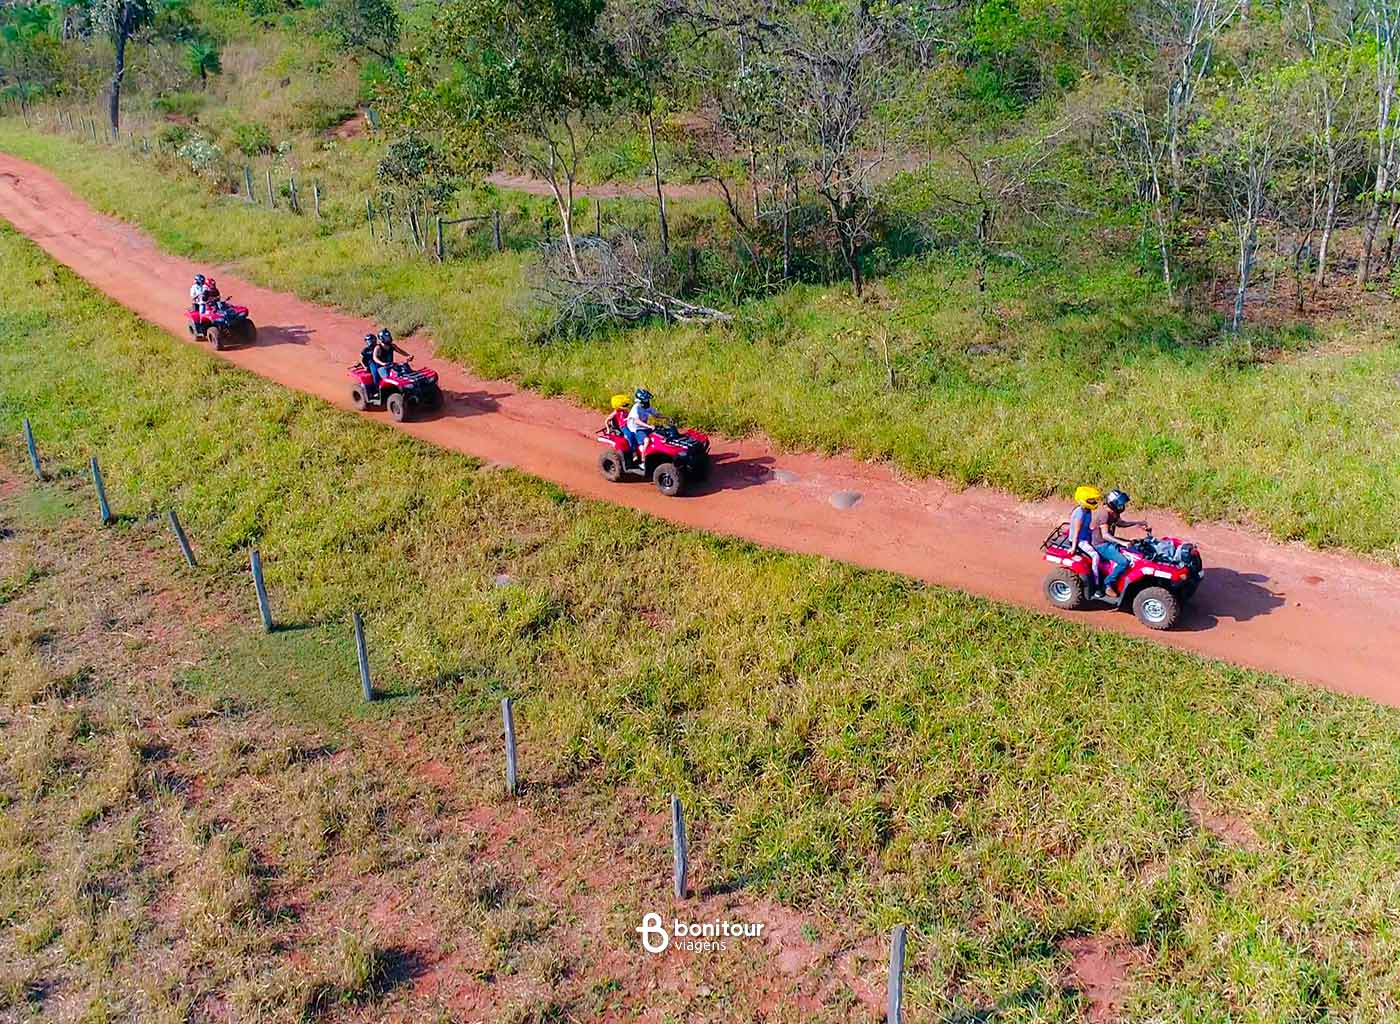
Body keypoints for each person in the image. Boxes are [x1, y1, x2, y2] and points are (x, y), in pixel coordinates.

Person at [1091, 489, 1149, 597]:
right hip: (1101, 544)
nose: (1121, 505)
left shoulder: (1113, 513)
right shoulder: (1104, 514)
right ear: (1112, 503)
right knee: (1124, 562)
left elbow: (1120, 523)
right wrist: (1122, 542)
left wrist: (1137, 523)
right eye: (1119, 503)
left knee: (1135, 549)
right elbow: (1105, 535)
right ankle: (1107, 584)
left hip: (1109, 541)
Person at [1068, 485, 1103, 593]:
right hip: (1079, 541)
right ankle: (1096, 584)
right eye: (1091, 500)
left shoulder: (1088, 511)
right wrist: (1073, 547)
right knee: (1095, 556)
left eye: (1094, 500)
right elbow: (1076, 532)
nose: (1094, 501)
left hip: (1086, 537)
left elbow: (1086, 527)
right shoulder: (1080, 513)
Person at [624, 388, 658, 454]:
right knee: (646, 441)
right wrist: (649, 426)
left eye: (648, 400)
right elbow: (637, 421)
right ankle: (643, 457)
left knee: (658, 434)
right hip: (636, 429)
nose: (647, 401)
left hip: (644, 427)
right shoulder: (636, 408)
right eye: (645, 400)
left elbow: (656, 414)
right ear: (640, 401)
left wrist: (667, 417)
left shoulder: (646, 407)